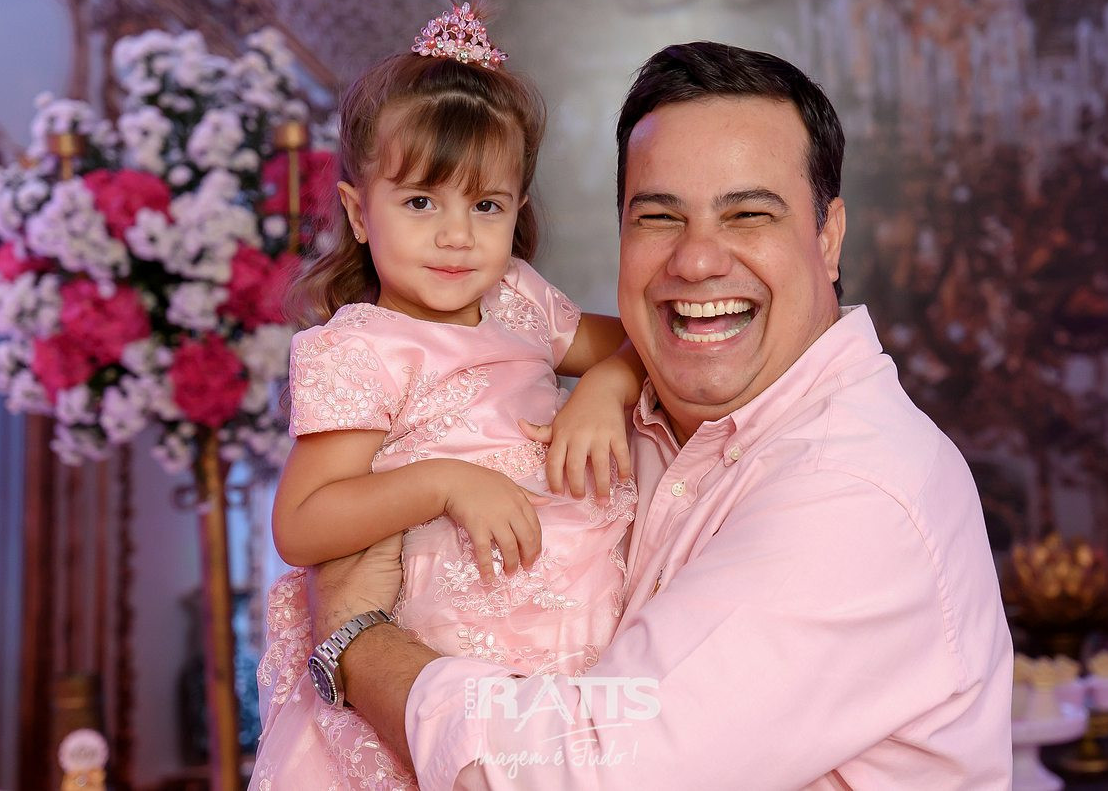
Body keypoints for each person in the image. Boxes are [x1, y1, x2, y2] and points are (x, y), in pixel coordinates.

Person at [303, 41, 1015, 789]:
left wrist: (355, 643)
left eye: (748, 214)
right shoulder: (631, 418)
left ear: (828, 238)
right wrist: (611, 383)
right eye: (659, 217)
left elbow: (588, 772)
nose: (697, 261)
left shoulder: (858, 491)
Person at [248, 2, 644, 790]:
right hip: (441, 637)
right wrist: (444, 483)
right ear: (360, 213)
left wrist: (604, 384)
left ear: (516, 211)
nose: (457, 235)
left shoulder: (520, 302)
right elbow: (302, 523)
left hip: (578, 609)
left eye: (485, 205)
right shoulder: (359, 348)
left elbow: (651, 343)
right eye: (421, 202)